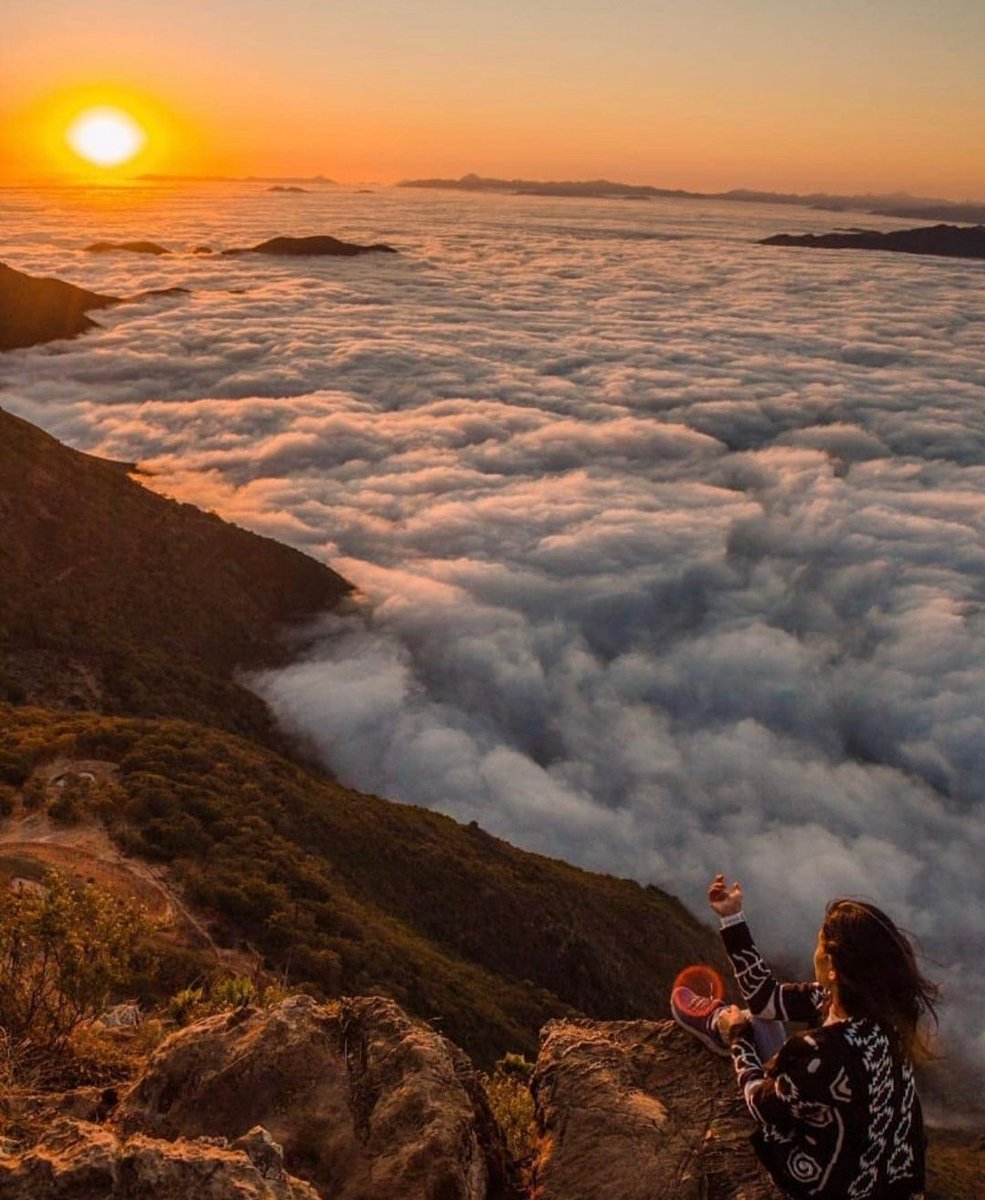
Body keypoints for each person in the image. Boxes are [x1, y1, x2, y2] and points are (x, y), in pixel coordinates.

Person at [671, 873, 938, 1200]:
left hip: (823, 1183)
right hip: (892, 1185)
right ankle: (726, 1020)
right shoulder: (888, 1019)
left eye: (819, 943)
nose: (815, 951)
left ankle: (720, 1023)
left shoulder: (819, 1054)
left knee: (752, 1026)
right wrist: (731, 916)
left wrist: (738, 1038)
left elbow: (760, 1103)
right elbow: (765, 998)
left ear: (833, 967)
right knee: (762, 1016)